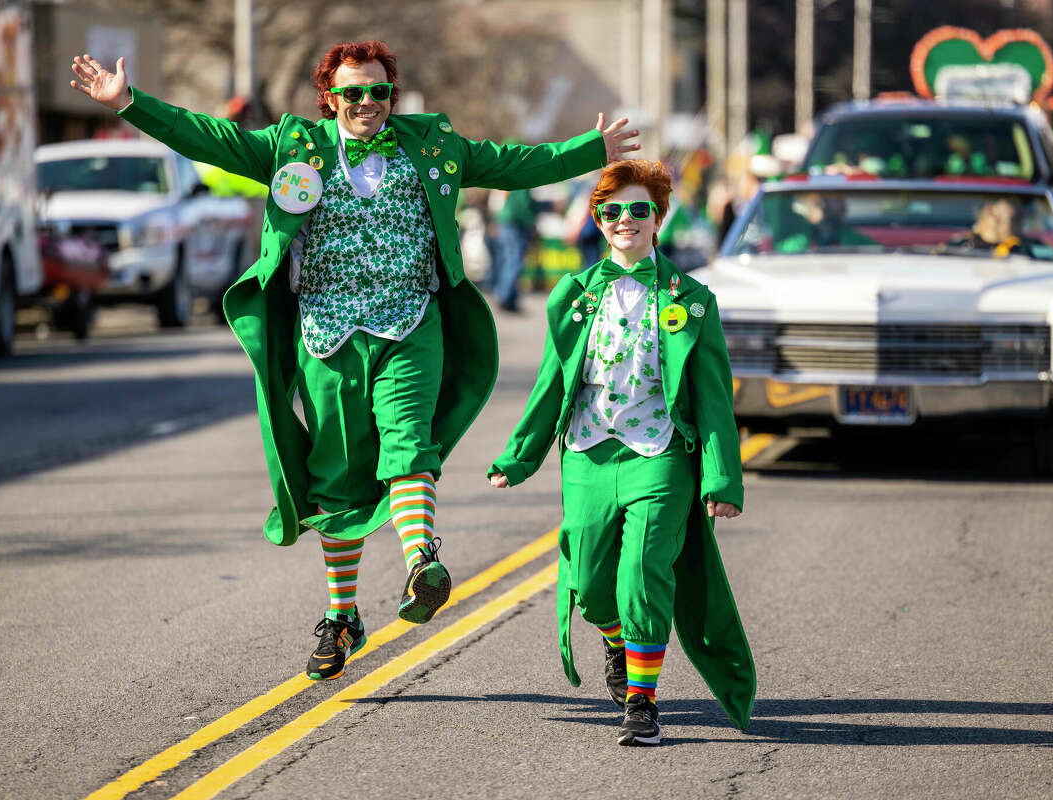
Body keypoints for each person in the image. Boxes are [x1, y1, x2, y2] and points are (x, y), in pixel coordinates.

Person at [69, 41, 639, 681]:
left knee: (407, 441)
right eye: (353, 92)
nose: (367, 103)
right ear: (329, 97)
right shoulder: (294, 148)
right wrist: (128, 103)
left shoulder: (432, 145)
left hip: (409, 323)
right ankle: (343, 617)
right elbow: (209, 138)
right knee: (335, 474)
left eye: (379, 92)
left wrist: (591, 153)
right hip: (327, 332)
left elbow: (512, 163)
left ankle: (422, 559)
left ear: (393, 94)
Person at [488, 160, 755, 746]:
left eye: (639, 209)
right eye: (612, 211)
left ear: (659, 216)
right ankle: (616, 640)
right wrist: (519, 455)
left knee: (643, 570)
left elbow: (712, 398)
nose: (625, 220)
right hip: (588, 451)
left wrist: (722, 480)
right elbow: (552, 380)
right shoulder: (574, 293)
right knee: (589, 581)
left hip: (659, 455)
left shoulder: (693, 299)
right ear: (598, 220)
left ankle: (642, 701)